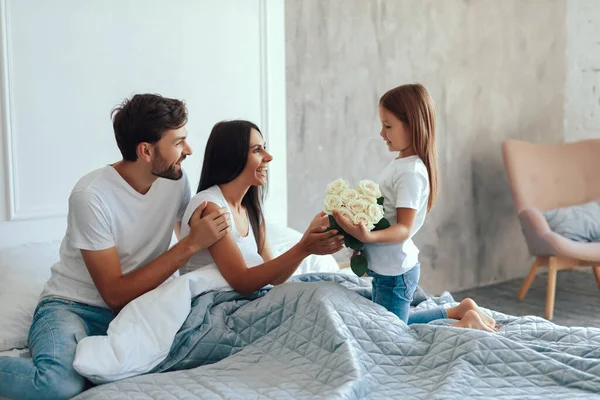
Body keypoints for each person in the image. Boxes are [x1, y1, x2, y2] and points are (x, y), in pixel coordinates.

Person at [0, 94, 230, 400]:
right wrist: (189, 244)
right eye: (178, 142)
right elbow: (114, 293)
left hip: (140, 310)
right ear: (146, 151)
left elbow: (192, 236)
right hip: (74, 308)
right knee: (57, 385)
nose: (188, 150)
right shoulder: (91, 196)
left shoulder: (174, 180)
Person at [333, 84, 497, 331]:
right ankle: (458, 310)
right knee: (392, 323)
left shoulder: (410, 172)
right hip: (386, 268)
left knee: (394, 332)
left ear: (412, 126)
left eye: (388, 126)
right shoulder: (402, 165)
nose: (381, 133)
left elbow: (403, 229)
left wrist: (367, 236)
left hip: (395, 273)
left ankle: (466, 321)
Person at [178, 120, 345, 292]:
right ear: (232, 156)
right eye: (257, 150)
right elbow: (242, 282)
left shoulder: (251, 211)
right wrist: (303, 248)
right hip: (215, 304)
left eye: (264, 147)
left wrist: (306, 244)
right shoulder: (211, 208)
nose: (269, 157)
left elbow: (276, 279)